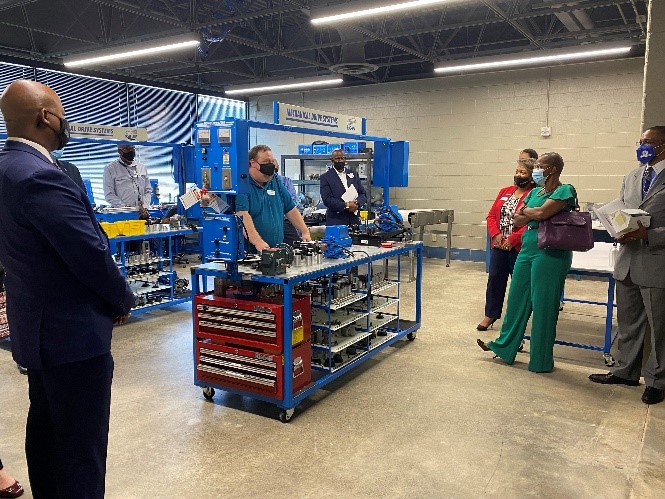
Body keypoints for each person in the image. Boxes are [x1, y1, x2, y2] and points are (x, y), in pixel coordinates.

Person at [0, 80, 135, 498]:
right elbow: (88, 254)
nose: (66, 122)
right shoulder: (40, 176)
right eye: (61, 112)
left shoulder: (7, 168)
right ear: (45, 117)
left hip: (36, 331)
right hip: (73, 336)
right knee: (81, 449)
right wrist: (122, 298)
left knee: (45, 433)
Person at [477, 152, 576, 373]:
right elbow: (517, 217)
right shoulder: (536, 192)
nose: (536, 171)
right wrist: (533, 214)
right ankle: (504, 347)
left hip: (550, 252)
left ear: (552, 169)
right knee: (516, 300)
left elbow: (540, 213)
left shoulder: (565, 190)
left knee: (543, 306)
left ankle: (540, 360)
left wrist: (531, 213)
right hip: (527, 248)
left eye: (540, 166)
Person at [589, 126, 665, 405]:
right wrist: (616, 226)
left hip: (657, 262)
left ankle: (657, 381)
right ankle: (625, 372)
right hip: (628, 259)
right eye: (640, 142)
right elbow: (622, 209)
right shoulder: (631, 176)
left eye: (649, 143)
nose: (642, 147)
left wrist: (651, 235)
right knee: (628, 323)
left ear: (663, 146)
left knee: (660, 328)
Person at [477, 149, 537, 331]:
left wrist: (512, 239)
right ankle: (491, 315)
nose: (518, 175)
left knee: (519, 285)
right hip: (499, 245)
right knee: (495, 279)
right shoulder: (505, 191)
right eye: (517, 171)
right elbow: (491, 216)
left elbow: (531, 223)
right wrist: (496, 235)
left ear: (532, 176)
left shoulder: (534, 194)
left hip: (519, 247)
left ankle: (516, 322)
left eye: (523, 172)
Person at [236, 145, 312, 252]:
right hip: (251, 253)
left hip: (276, 249)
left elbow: (290, 207)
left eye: (272, 161)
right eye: (266, 162)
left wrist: (304, 231)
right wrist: (259, 243)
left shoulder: (274, 180)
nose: (270, 166)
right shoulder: (242, 184)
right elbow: (242, 214)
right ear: (253, 163)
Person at [320, 148, 368, 226]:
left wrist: (356, 203)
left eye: (342, 158)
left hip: (354, 220)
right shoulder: (325, 177)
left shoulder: (354, 174)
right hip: (336, 220)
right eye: (338, 159)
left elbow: (363, 194)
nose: (341, 160)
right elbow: (327, 199)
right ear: (332, 161)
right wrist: (346, 205)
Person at [103, 143, 151, 219]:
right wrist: (125, 208)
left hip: (142, 213)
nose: (131, 151)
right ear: (120, 151)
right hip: (122, 214)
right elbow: (109, 194)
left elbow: (148, 190)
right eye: (128, 149)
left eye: (133, 148)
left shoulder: (142, 167)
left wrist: (145, 206)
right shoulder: (110, 169)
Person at [273, 157, 301, 246]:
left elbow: (291, 201)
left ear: (278, 167)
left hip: (286, 221)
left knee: (296, 246)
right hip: (271, 222)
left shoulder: (285, 181)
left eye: (273, 164)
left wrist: (304, 231)